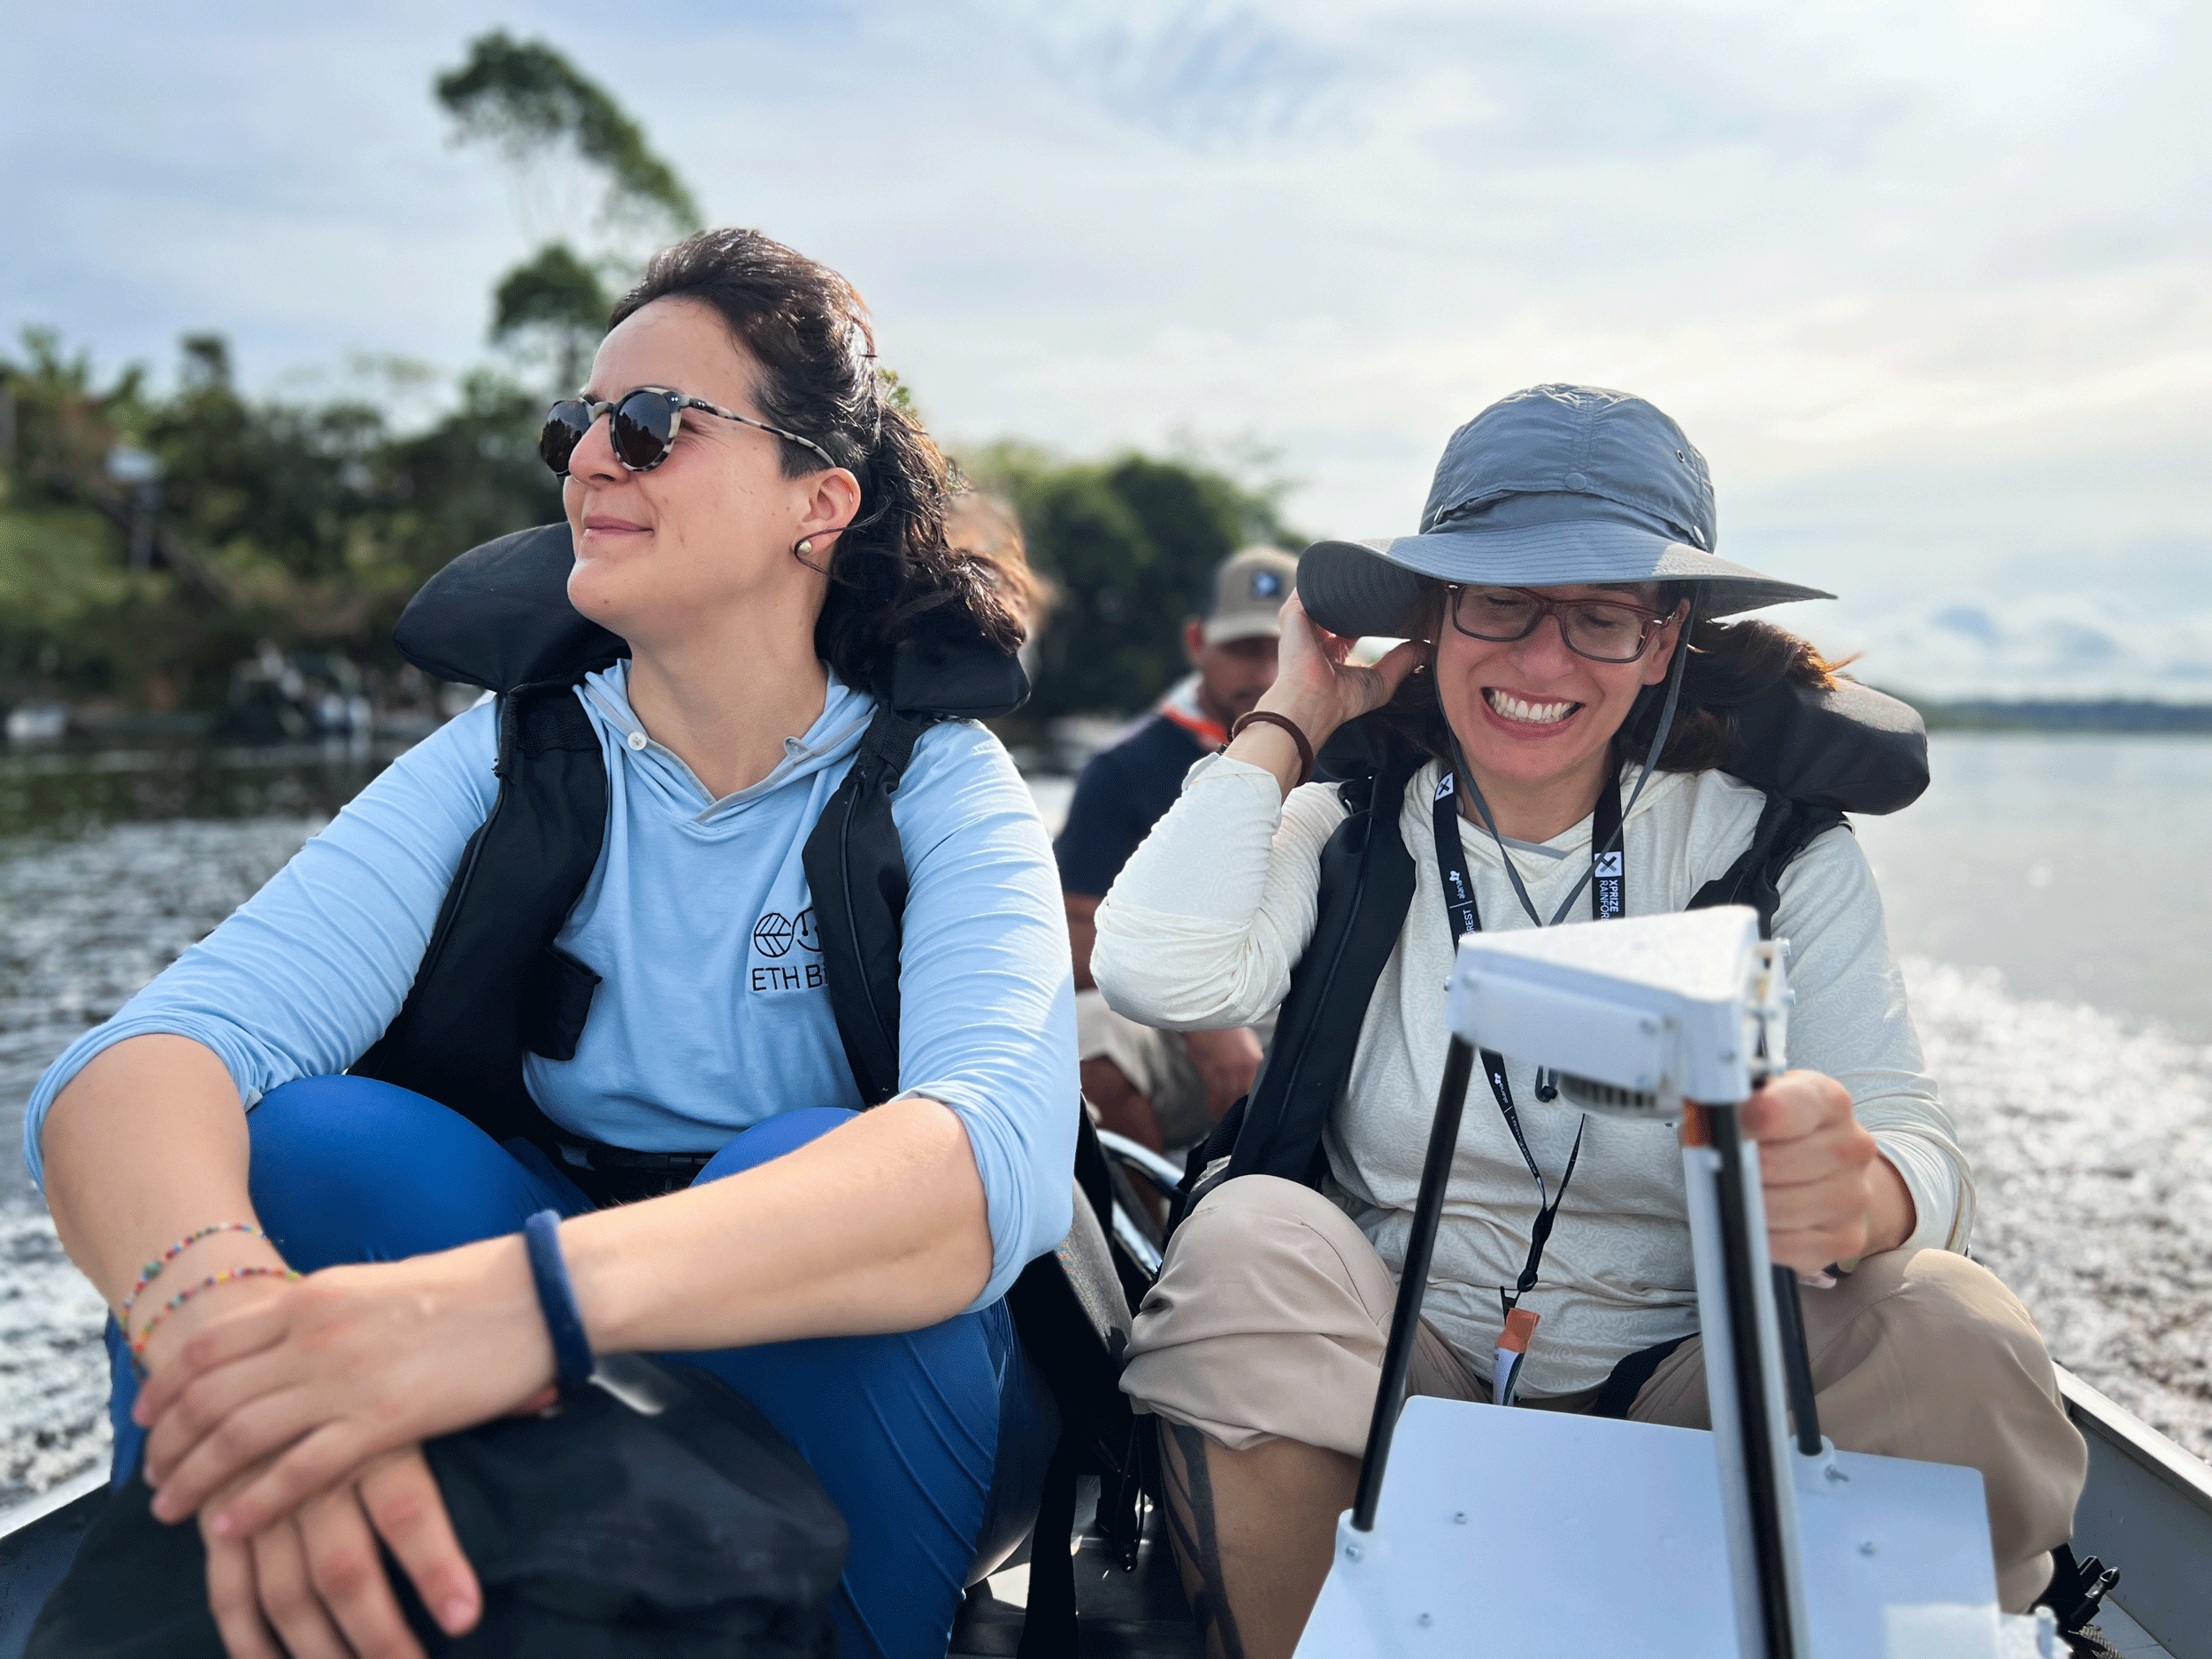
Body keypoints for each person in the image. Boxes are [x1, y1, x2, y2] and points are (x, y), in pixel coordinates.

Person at [30, 227, 1075, 1659]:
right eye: (574, 426)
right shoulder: (508, 763)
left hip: (848, 1369)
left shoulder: (941, 789)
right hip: (546, 1307)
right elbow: (138, 1064)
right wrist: (225, 1331)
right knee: (308, 1147)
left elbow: (986, 1169)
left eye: (649, 427)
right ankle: (280, 1598)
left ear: (815, 502)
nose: (591, 459)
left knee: (809, 1173)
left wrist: (522, 1309)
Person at [1091, 385, 2087, 1658]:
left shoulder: (1773, 843)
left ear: (1666, 639)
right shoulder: (1356, 815)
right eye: (1498, 600)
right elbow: (1156, 973)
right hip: (1401, 1360)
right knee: (1239, 1235)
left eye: (1603, 615)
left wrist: (1867, 1188)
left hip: (1695, 1380)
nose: (1542, 660)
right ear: (1432, 616)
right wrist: (1296, 711)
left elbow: (1916, 1137)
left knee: (1956, 1320)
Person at [1056, 546, 1297, 1153]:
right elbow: (1073, 934)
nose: (1265, 672)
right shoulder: (1122, 767)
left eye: (1283, 649)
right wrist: (1202, 1016)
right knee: (1081, 1040)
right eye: (1244, 648)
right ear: (1197, 643)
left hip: (1316, 1005)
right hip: (1175, 1020)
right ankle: (1150, 1236)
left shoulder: (1360, 751)